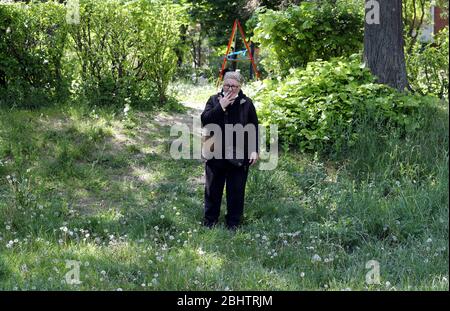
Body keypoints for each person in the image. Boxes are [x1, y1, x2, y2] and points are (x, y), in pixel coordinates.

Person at [200, 71, 259, 231]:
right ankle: (210, 220)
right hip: (215, 152)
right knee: (213, 189)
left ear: (240, 87)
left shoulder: (246, 103)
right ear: (222, 85)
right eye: (227, 85)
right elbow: (205, 120)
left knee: (236, 190)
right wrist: (221, 106)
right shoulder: (213, 100)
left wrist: (254, 150)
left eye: (234, 86)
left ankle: (233, 223)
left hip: (240, 153)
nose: (230, 88)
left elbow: (253, 127)